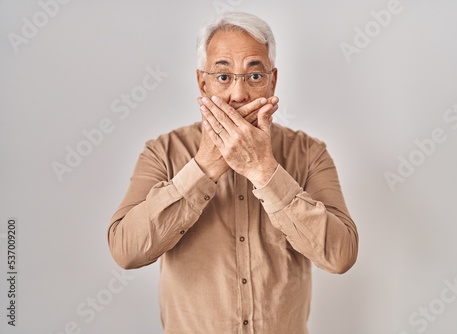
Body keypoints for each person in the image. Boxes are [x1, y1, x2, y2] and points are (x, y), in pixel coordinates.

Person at [108, 11, 358, 334]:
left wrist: (265, 171)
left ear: (273, 81)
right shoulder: (163, 151)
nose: (239, 95)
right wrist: (204, 167)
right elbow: (125, 251)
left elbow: (341, 256)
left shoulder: (310, 154)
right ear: (202, 82)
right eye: (224, 77)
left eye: (254, 77)